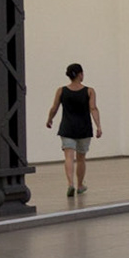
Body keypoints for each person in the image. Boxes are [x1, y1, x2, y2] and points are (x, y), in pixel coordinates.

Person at [45, 64, 101, 198]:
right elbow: (93, 108)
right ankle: (80, 185)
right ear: (80, 74)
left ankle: (70, 184)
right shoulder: (89, 91)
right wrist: (98, 126)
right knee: (81, 158)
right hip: (84, 128)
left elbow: (54, 108)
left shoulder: (61, 91)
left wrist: (49, 119)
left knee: (68, 157)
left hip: (67, 127)